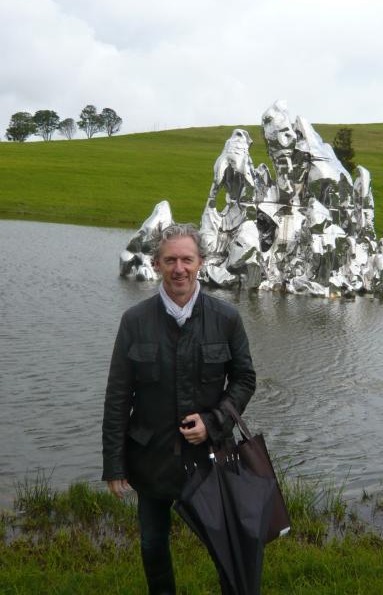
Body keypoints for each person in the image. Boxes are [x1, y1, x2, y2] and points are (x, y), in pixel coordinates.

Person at [102, 223, 256, 595]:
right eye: (169, 260)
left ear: (200, 262)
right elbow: (118, 396)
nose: (179, 268)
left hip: (210, 458)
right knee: (153, 546)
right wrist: (114, 464)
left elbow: (244, 380)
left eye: (187, 259)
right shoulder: (134, 322)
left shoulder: (227, 319)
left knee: (226, 546)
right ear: (156, 264)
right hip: (151, 459)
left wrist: (214, 422)